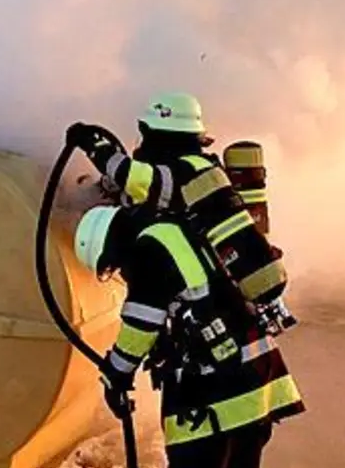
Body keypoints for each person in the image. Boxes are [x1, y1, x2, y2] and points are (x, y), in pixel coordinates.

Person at [73, 202, 305, 468]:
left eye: (111, 265)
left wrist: (117, 373)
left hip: (213, 388)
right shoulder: (180, 229)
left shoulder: (148, 248)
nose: (117, 273)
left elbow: (142, 321)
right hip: (259, 376)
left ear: (113, 242)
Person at [66, 92, 296, 337]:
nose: (143, 144)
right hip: (220, 299)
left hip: (218, 302)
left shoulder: (191, 170)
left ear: (164, 137)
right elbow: (140, 198)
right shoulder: (188, 174)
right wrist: (85, 193)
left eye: (148, 135)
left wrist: (94, 147)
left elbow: (139, 181)